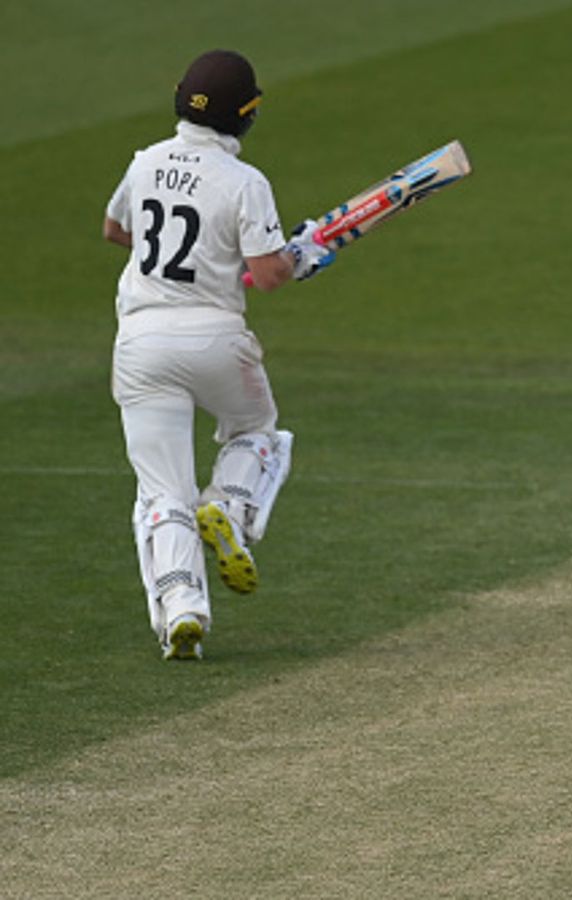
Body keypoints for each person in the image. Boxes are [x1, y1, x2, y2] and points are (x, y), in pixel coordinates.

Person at [102, 50, 334, 660]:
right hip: (215, 339)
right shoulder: (244, 182)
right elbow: (270, 274)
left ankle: (183, 610)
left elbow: (116, 229)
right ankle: (229, 506)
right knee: (258, 432)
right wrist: (298, 255)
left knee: (161, 490)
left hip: (142, 342)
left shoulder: (146, 161)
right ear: (246, 116)